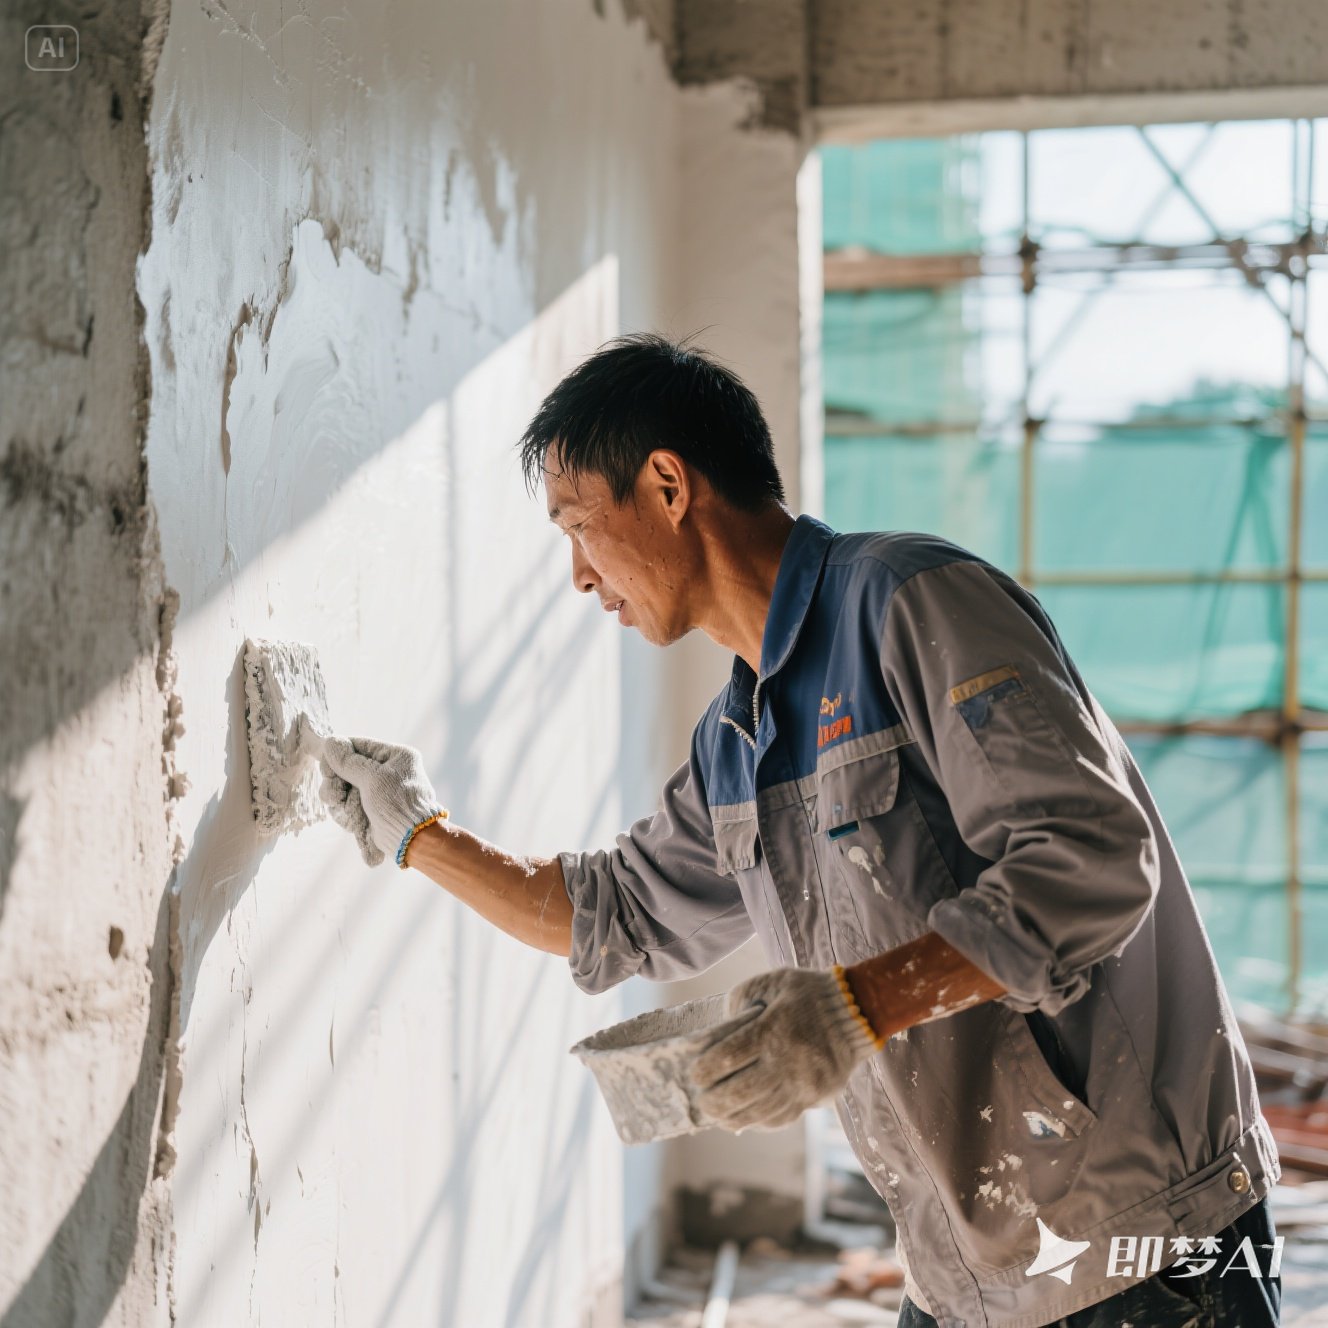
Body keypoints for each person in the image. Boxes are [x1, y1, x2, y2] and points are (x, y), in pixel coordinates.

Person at [319, 335, 1282, 1328]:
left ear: (664, 483)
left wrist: (849, 1008)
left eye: (576, 525)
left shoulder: (911, 604)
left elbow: (1085, 858)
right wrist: (416, 829)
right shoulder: (733, 742)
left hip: (1141, 1243)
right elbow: (607, 913)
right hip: (965, 1275)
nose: (576, 573)